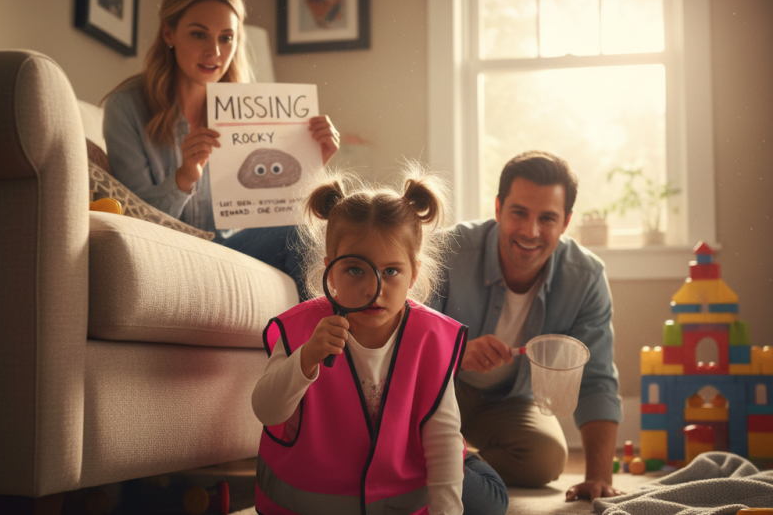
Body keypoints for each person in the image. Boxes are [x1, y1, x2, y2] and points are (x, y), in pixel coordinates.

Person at [251, 165, 509, 514]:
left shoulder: (430, 337)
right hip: (310, 498)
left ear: (413, 274)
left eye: (391, 271)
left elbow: (442, 437)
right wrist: (306, 358)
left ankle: (469, 461)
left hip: (401, 490)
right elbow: (266, 411)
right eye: (355, 269)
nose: (374, 289)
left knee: (488, 496)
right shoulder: (300, 331)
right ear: (331, 270)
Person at [430, 150, 623, 502]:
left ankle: (448, 462)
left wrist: (598, 477)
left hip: (507, 402)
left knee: (546, 458)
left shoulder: (587, 277)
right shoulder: (446, 250)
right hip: (439, 388)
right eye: (519, 213)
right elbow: (405, 339)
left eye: (547, 218)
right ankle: (440, 457)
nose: (530, 232)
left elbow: (596, 379)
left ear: (565, 223)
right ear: (498, 208)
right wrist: (456, 353)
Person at [102, 0, 340, 244]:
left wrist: (311, 162)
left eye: (226, 37)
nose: (214, 52)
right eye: (198, 34)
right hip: (168, 248)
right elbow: (134, 220)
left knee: (309, 232)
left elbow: (270, 210)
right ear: (169, 33)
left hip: (231, 248)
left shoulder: (246, 111)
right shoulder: (126, 108)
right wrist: (184, 178)